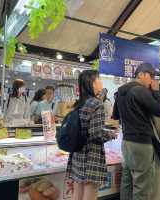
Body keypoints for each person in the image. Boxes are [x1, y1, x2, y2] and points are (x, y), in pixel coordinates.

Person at [66, 70, 117, 200]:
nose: (101, 81)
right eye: (99, 79)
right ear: (92, 83)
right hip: (91, 157)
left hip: (78, 154)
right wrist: (111, 134)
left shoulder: (80, 103)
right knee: (90, 195)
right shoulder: (96, 104)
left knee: (77, 195)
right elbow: (96, 134)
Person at [117, 63, 160, 200]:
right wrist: (156, 91)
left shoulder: (121, 91)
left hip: (126, 141)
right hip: (141, 144)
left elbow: (116, 115)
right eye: (151, 76)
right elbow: (159, 111)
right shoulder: (140, 90)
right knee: (142, 186)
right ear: (141, 74)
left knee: (127, 182)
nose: (152, 81)